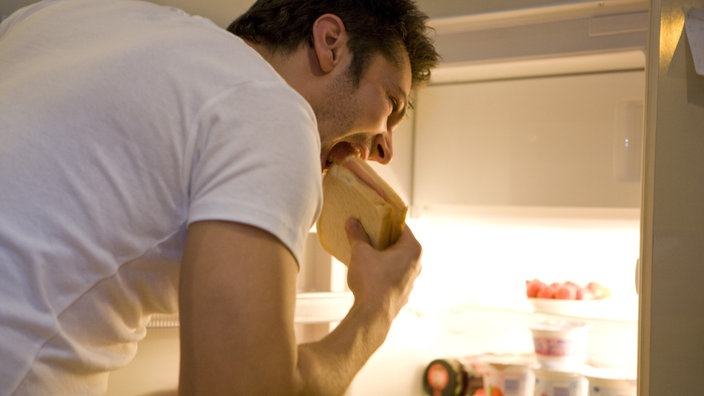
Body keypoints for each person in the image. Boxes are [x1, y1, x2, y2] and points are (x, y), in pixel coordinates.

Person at [0, 0, 438, 394]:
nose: (384, 151)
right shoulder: (275, 113)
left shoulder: (60, 15)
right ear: (330, 43)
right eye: (391, 103)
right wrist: (378, 308)